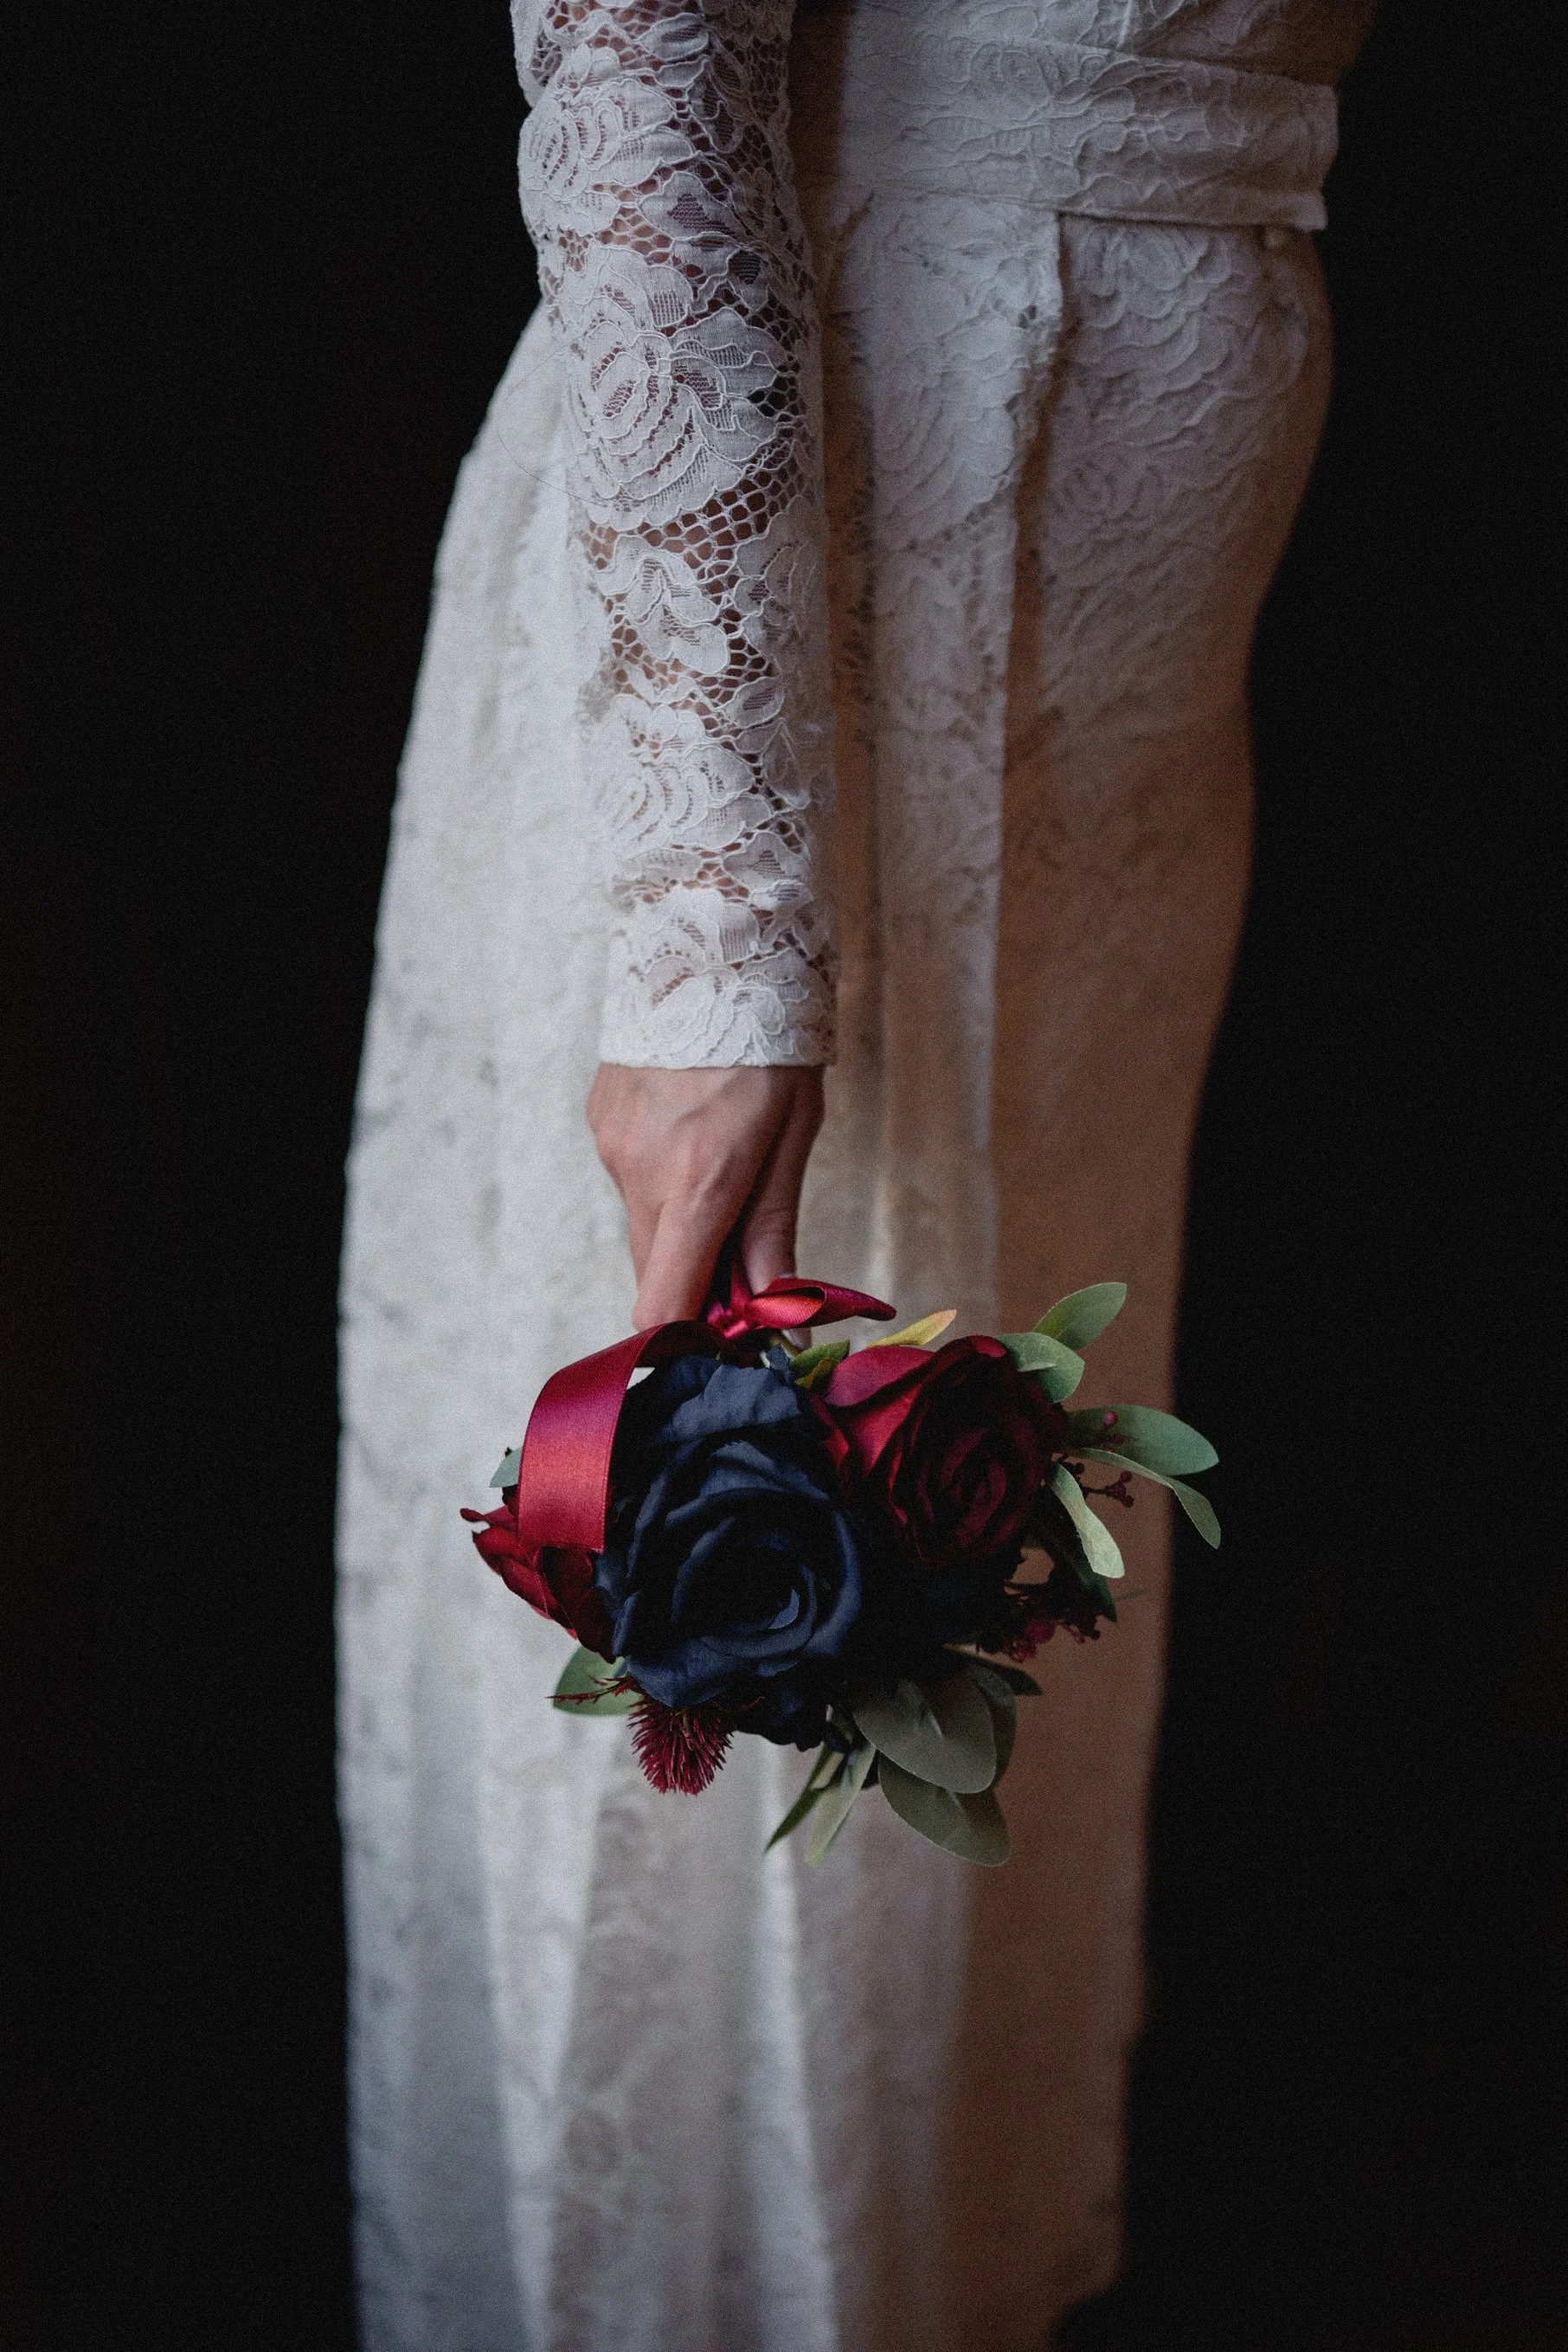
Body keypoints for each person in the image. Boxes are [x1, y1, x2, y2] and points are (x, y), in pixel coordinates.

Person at [337, 3, 1377, 2343]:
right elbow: (642, 66)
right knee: (721, 1645)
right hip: (812, 606)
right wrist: (715, 924)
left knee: (981, 1606)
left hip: (1096, 667)